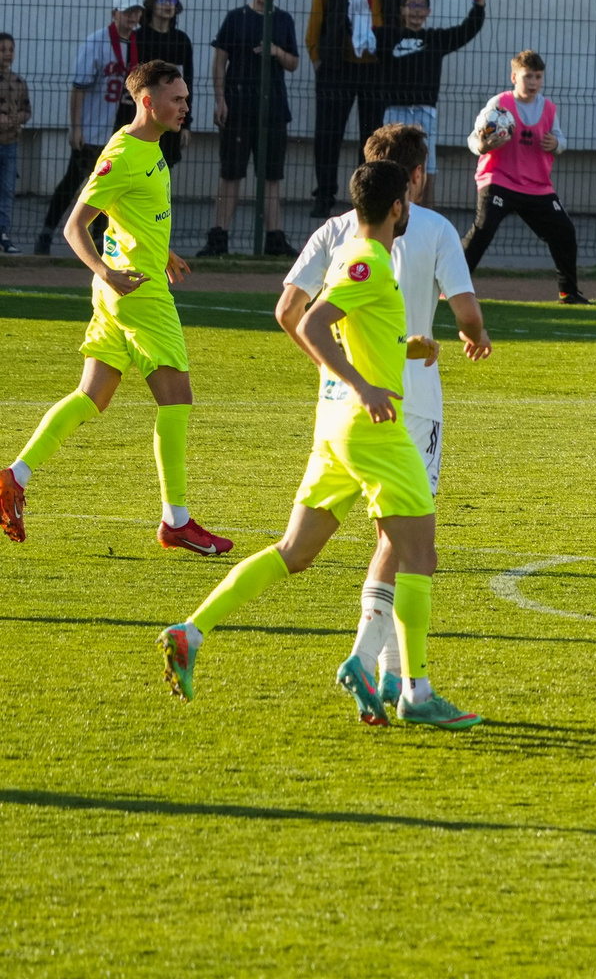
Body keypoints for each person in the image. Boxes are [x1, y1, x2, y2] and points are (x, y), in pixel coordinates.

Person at [160, 163, 481, 728]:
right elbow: (310, 324)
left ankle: (192, 631)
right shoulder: (370, 259)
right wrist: (363, 386)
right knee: (419, 557)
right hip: (372, 433)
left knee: (294, 552)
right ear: (398, 207)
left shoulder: (351, 254)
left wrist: (408, 348)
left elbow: (351, 330)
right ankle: (415, 692)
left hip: (335, 430)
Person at [3, 59, 230, 556]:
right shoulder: (124, 154)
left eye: (186, 97)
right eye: (177, 99)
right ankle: (176, 521)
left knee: (92, 396)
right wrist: (105, 271)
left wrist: (160, 248)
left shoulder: (150, 146)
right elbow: (75, 226)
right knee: (177, 400)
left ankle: (14, 476)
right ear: (148, 101)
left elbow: (127, 211)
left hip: (122, 291)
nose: (185, 106)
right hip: (137, 294)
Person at [278, 124, 487, 599]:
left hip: (341, 407)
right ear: (415, 176)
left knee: (298, 549)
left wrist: (331, 367)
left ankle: (199, 622)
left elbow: (289, 311)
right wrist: (476, 336)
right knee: (405, 544)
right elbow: (468, 315)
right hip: (410, 401)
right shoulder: (435, 228)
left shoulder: (335, 229)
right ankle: (378, 642)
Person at [462, 50, 584, 301]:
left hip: (537, 186)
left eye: (538, 77)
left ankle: (569, 293)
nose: (533, 82)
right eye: (528, 76)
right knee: (483, 230)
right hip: (499, 180)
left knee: (564, 232)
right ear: (514, 77)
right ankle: (451, 287)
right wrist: (482, 146)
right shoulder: (498, 104)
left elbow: (561, 140)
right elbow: (474, 138)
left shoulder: (548, 108)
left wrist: (556, 144)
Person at [307, 0, 404, 218]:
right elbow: (317, 14)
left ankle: (368, 196)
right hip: (337, 66)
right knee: (328, 134)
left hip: (377, 68)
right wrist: (317, 57)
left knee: (373, 138)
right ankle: (324, 195)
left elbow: (399, 18)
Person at [206, 0, 300, 259]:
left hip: (273, 109)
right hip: (238, 105)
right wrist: (220, 100)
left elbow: (294, 63)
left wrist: (276, 51)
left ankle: (274, 238)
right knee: (231, 173)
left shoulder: (283, 20)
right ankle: (219, 237)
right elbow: (219, 61)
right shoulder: (236, 18)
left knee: (271, 176)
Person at [38, 0, 143, 254]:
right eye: (127, 11)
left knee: (111, 188)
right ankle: (47, 232)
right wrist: (76, 128)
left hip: (120, 129)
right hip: (94, 127)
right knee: (74, 180)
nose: (133, 17)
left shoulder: (137, 42)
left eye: (136, 12)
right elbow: (78, 88)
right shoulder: (97, 42)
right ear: (114, 13)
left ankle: (101, 240)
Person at [375, 0, 485, 205]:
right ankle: (392, 213)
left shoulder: (435, 39)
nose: (416, 11)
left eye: (421, 6)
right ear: (402, 10)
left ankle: (427, 212)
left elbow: (467, 30)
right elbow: (357, 30)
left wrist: (479, 1)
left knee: (426, 164)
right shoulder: (387, 36)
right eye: (412, 5)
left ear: (428, 11)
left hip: (425, 112)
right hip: (394, 111)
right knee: (392, 163)